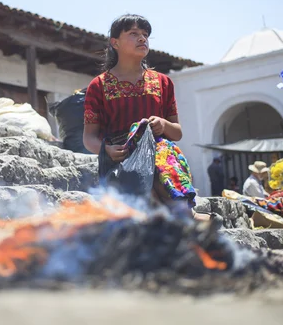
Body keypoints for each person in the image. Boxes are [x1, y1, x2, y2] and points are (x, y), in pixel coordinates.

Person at [82, 14, 207, 220]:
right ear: (115, 43)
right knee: (141, 186)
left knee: (161, 170)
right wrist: (106, 150)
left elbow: (177, 132)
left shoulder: (163, 82)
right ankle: (186, 221)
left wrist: (163, 124)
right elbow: (89, 138)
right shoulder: (99, 85)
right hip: (121, 158)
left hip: (160, 154)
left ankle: (184, 220)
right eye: (133, 34)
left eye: (145, 34)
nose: (142, 39)